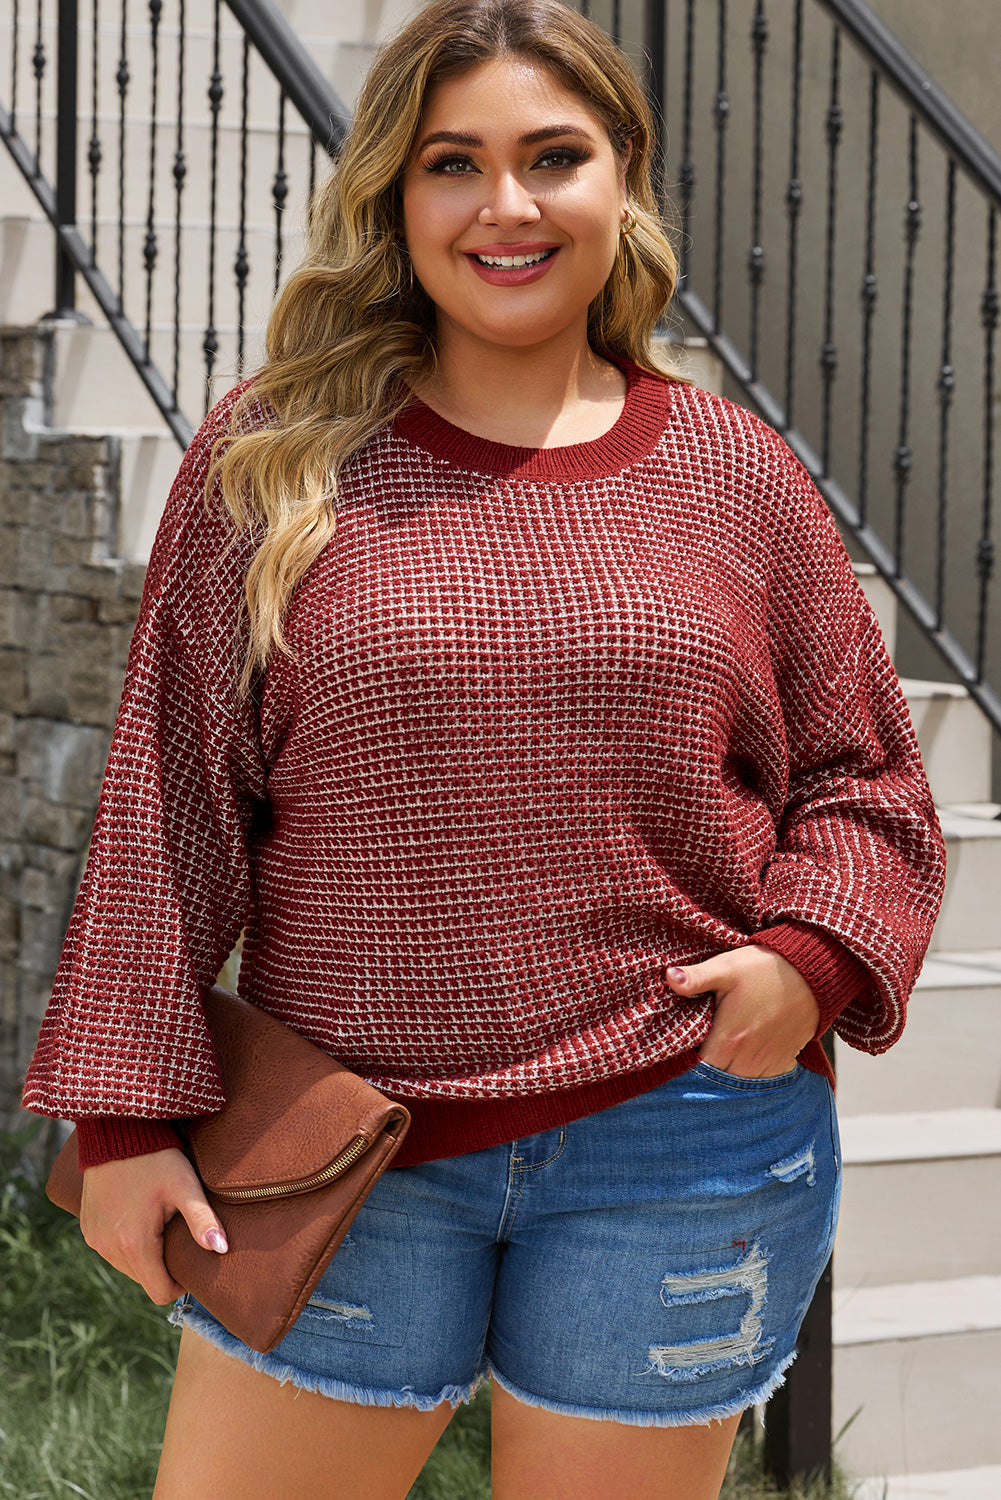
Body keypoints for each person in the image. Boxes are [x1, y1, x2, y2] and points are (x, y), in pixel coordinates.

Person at [23, 1, 946, 1496]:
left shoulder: (735, 473)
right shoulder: (276, 459)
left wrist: (809, 962)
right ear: (395, 197)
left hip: (678, 1138)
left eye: (553, 157)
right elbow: (165, 801)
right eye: (452, 163)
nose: (505, 205)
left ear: (623, 179)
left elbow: (864, 775)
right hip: (341, 1143)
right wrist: (125, 1117)